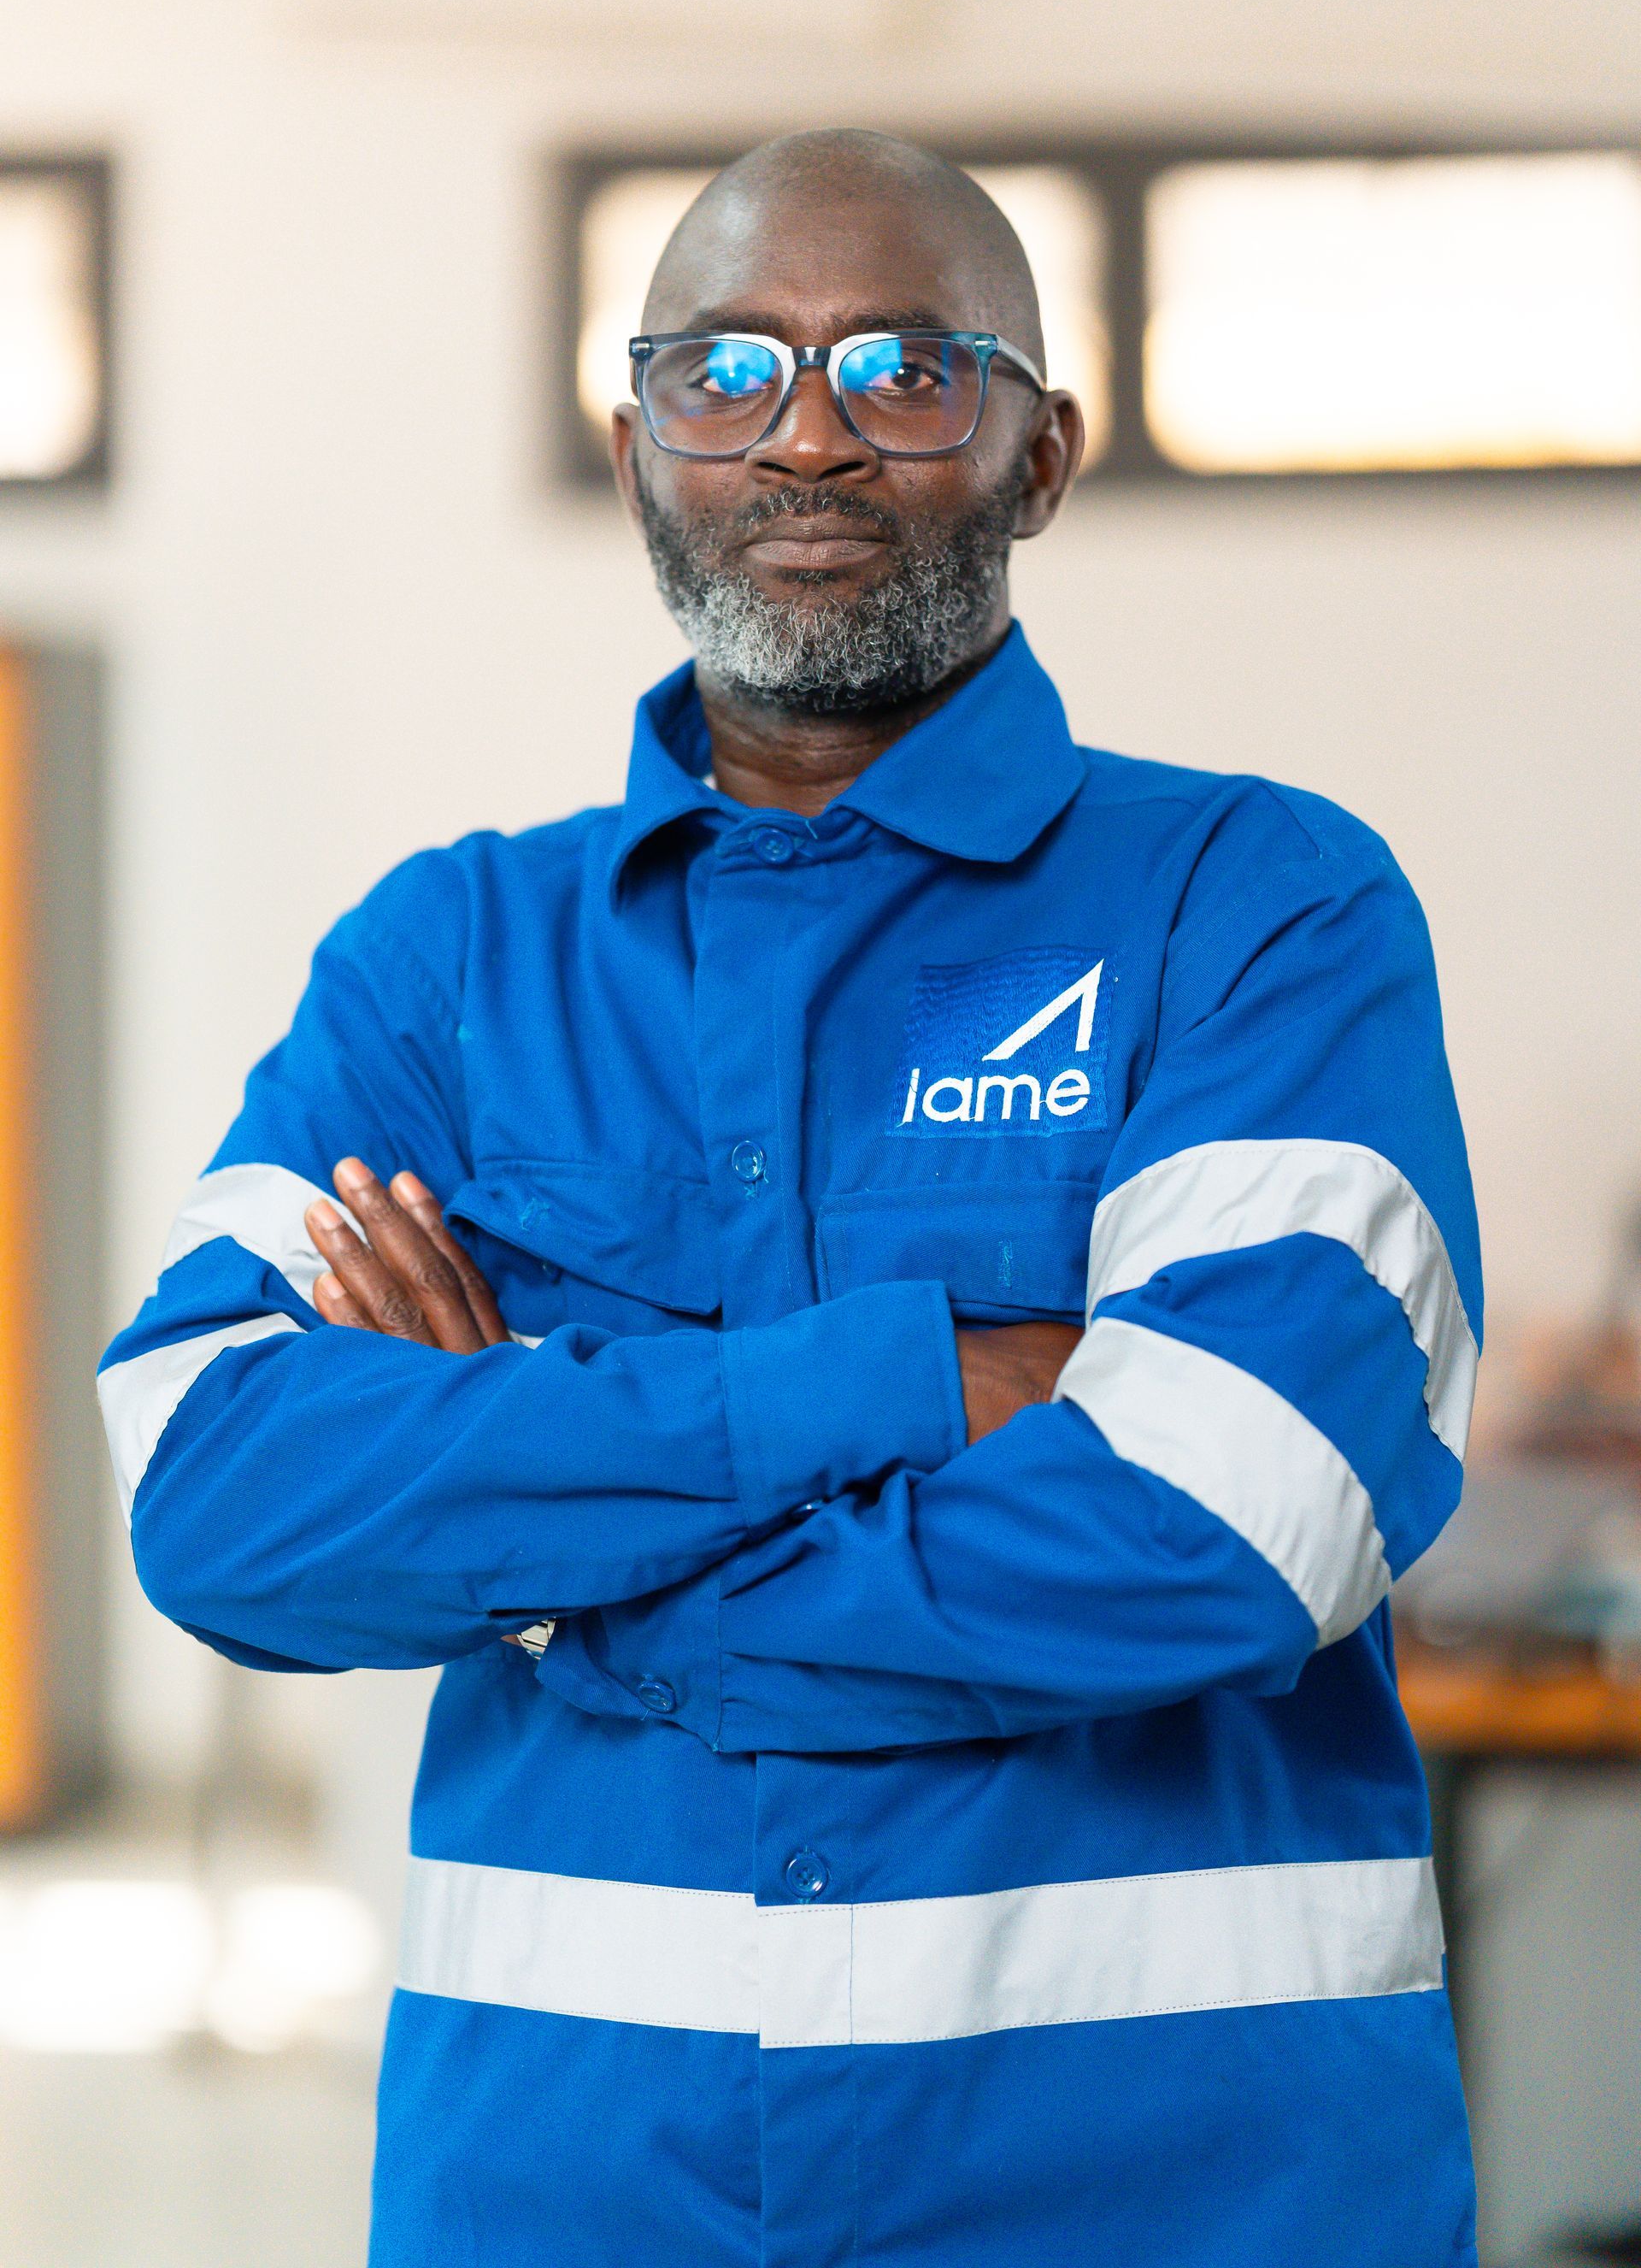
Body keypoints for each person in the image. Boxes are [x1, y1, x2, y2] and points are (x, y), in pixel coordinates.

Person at [99, 131, 1482, 2267]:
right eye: (726, 369)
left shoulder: (1258, 906)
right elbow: (218, 1490)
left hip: (1171, 2182)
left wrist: (549, 1564)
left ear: (1042, 454)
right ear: (641, 439)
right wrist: (914, 1380)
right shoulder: (449, 961)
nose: (809, 432)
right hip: (571, 2184)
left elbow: (1241, 1510)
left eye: (910, 365)